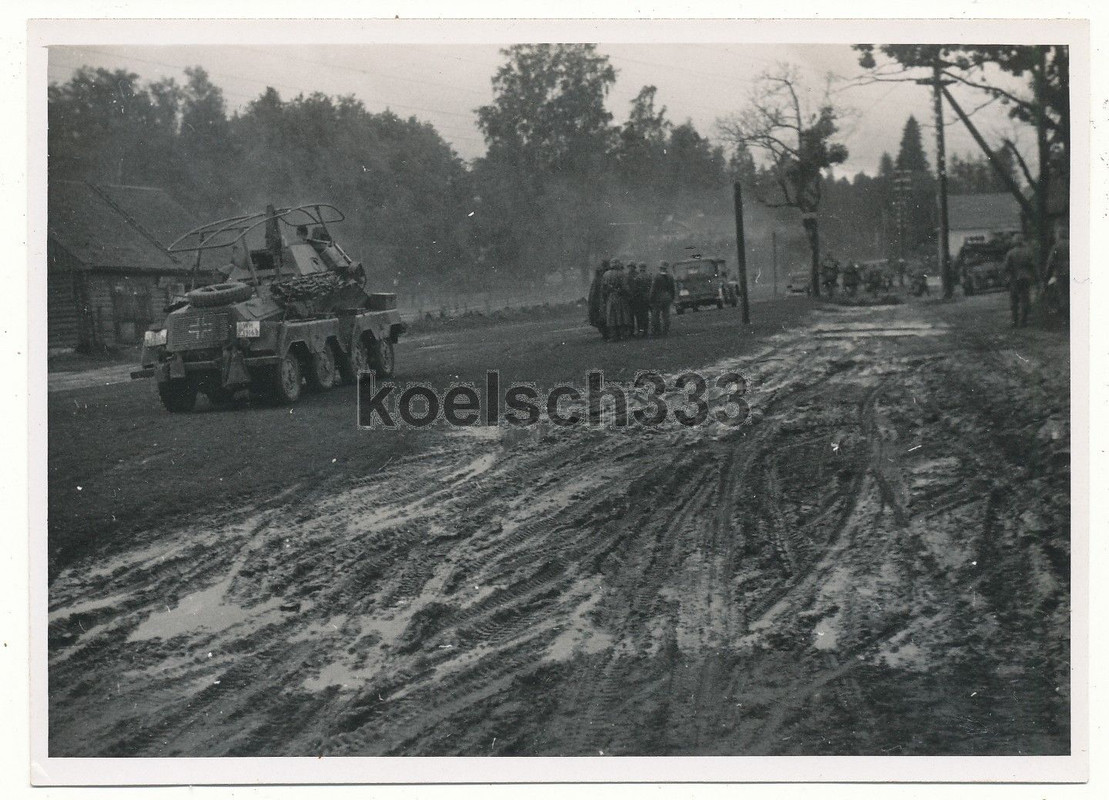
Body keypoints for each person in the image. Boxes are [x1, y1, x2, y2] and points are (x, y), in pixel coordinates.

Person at [1004, 233, 1037, 327]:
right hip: (1026, 277)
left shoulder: (1010, 253)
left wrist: (1008, 277)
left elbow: (1006, 267)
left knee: (1014, 301)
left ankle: (1014, 321)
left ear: (1014, 242)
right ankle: (1024, 321)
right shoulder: (1028, 252)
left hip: (1014, 278)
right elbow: (1033, 266)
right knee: (1025, 300)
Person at [1044, 219, 1070, 320]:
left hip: (1061, 273)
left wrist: (1047, 276)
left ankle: (1067, 318)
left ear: (1058, 235)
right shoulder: (1073, 243)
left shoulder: (1056, 247)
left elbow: (1050, 263)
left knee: (1064, 295)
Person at [602, 260, 633, 341]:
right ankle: (622, 335)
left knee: (611, 316)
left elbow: (603, 288)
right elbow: (625, 287)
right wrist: (629, 294)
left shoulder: (606, 274)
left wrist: (605, 297)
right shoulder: (621, 274)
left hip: (610, 297)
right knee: (621, 315)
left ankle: (613, 336)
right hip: (620, 297)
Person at [649, 262, 676, 337]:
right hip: (667, 297)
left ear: (660, 268)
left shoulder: (656, 277)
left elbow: (653, 289)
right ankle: (666, 331)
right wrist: (672, 298)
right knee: (666, 315)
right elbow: (672, 289)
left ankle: (657, 331)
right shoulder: (670, 276)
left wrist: (651, 299)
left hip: (658, 298)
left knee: (655, 315)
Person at [588, 260, 610, 340]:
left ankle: (605, 333)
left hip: (601, 300)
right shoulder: (601, 278)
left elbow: (593, 292)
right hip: (602, 300)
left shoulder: (598, 278)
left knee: (602, 318)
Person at [630, 263, 652, 337]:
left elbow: (635, 289)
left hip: (639, 298)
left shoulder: (637, 277)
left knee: (639, 316)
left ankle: (641, 330)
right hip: (647, 297)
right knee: (645, 315)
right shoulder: (649, 276)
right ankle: (646, 330)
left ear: (639, 268)